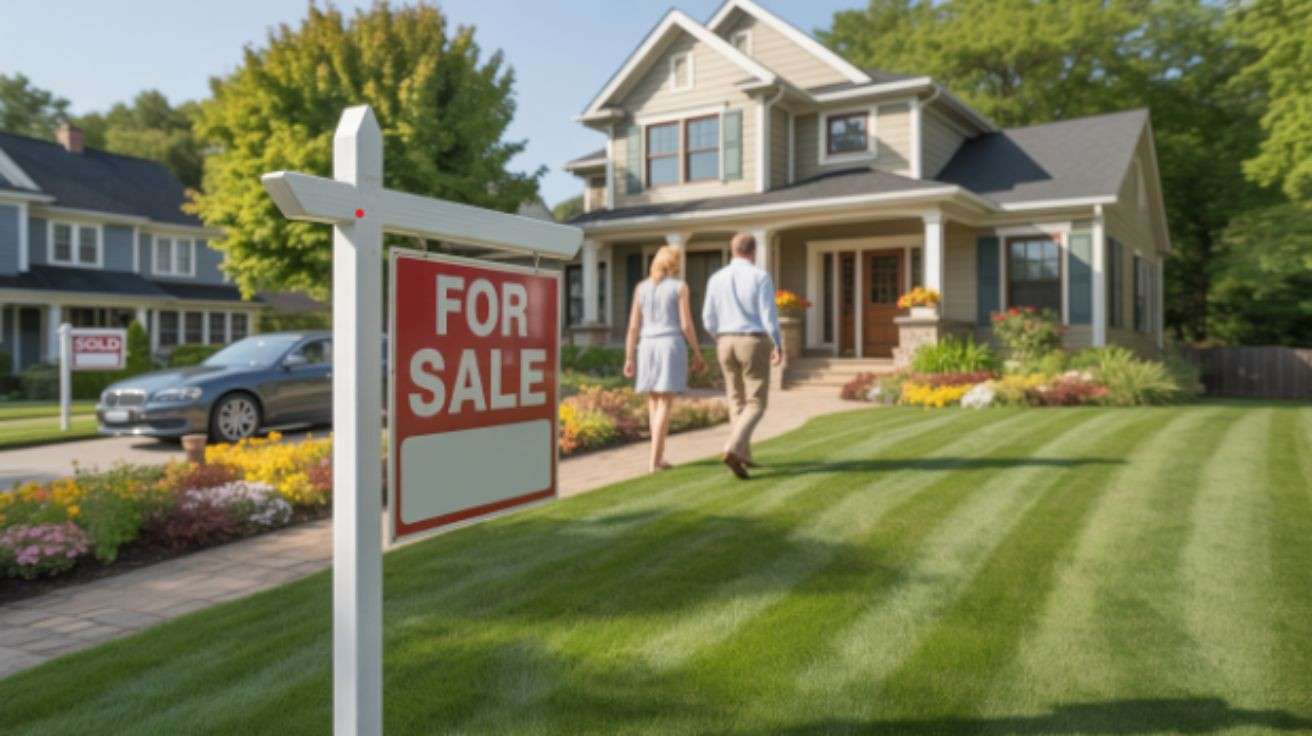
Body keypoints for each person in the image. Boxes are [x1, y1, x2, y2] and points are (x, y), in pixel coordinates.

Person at [701, 232, 783, 479]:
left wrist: (719, 337)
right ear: (753, 251)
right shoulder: (760, 277)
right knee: (757, 401)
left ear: (732, 249)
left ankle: (743, 456)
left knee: (736, 400)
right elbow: (768, 315)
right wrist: (777, 343)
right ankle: (733, 447)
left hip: (724, 340)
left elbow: (707, 318)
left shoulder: (716, 278)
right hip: (752, 340)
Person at [623, 245, 706, 472]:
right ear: (675, 264)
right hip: (669, 345)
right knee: (665, 404)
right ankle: (654, 462)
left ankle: (658, 457)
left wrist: (629, 356)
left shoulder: (641, 288)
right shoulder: (680, 287)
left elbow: (632, 326)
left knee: (654, 402)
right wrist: (697, 352)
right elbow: (686, 324)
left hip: (646, 346)